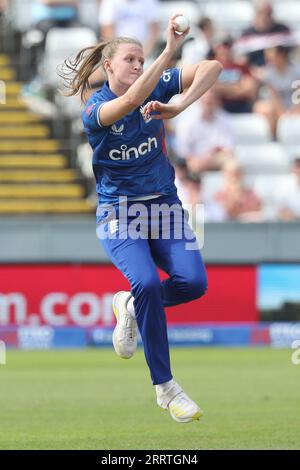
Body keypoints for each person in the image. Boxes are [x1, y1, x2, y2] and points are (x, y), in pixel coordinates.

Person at [61, 16, 222, 423]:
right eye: (130, 59)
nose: (137, 64)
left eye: (141, 59)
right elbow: (131, 102)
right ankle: (166, 389)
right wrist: (168, 50)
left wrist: (180, 105)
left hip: (165, 207)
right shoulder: (96, 111)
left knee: (194, 283)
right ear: (109, 67)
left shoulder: (161, 87)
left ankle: (130, 307)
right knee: (148, 282)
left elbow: (213, 68)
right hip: (120, 213)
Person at [174, 89, 235, 174]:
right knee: (194, 166)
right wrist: (196, 159)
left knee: (233, 166)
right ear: (200, 101)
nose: (209, 103)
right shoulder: (188, 121)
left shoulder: (225, 119)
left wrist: (210, 156)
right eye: (206, 101)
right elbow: (183, 150)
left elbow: (228, 148)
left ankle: (230, 187)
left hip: (217, 158)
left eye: (211, 100)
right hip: (195, 159)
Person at [254, 46, 300, 138]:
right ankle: (274, 138)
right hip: (276, 106)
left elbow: (298, 92)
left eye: (271, 53)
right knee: (265, 109)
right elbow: (274, 95)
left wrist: (295, 110)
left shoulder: (296, 70)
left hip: (293, 104)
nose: (267, 57)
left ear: (281, 55)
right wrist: (282, 113)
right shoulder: (268, 72)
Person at [236, 0, 291, 67]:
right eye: (261, 13)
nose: (264, 16)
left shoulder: (282, 30)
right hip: (254, 72)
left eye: (268, 13)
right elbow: (240, 58)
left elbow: (291, 53)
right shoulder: (247, 34)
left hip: (279, 71)